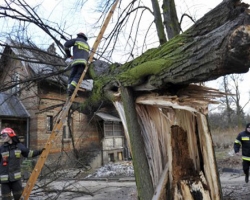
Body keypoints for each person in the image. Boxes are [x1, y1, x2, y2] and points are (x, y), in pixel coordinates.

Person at [0, 127, 44, 200]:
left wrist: (39, 152)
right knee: (6, 198)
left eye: (4, 135)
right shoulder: (2, 148)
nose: (2, 137)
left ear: (10, 135)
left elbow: (29, 153)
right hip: (4, 181)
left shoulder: (19, 146)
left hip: (16, 180)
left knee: (19, 197)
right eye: (2, 136)